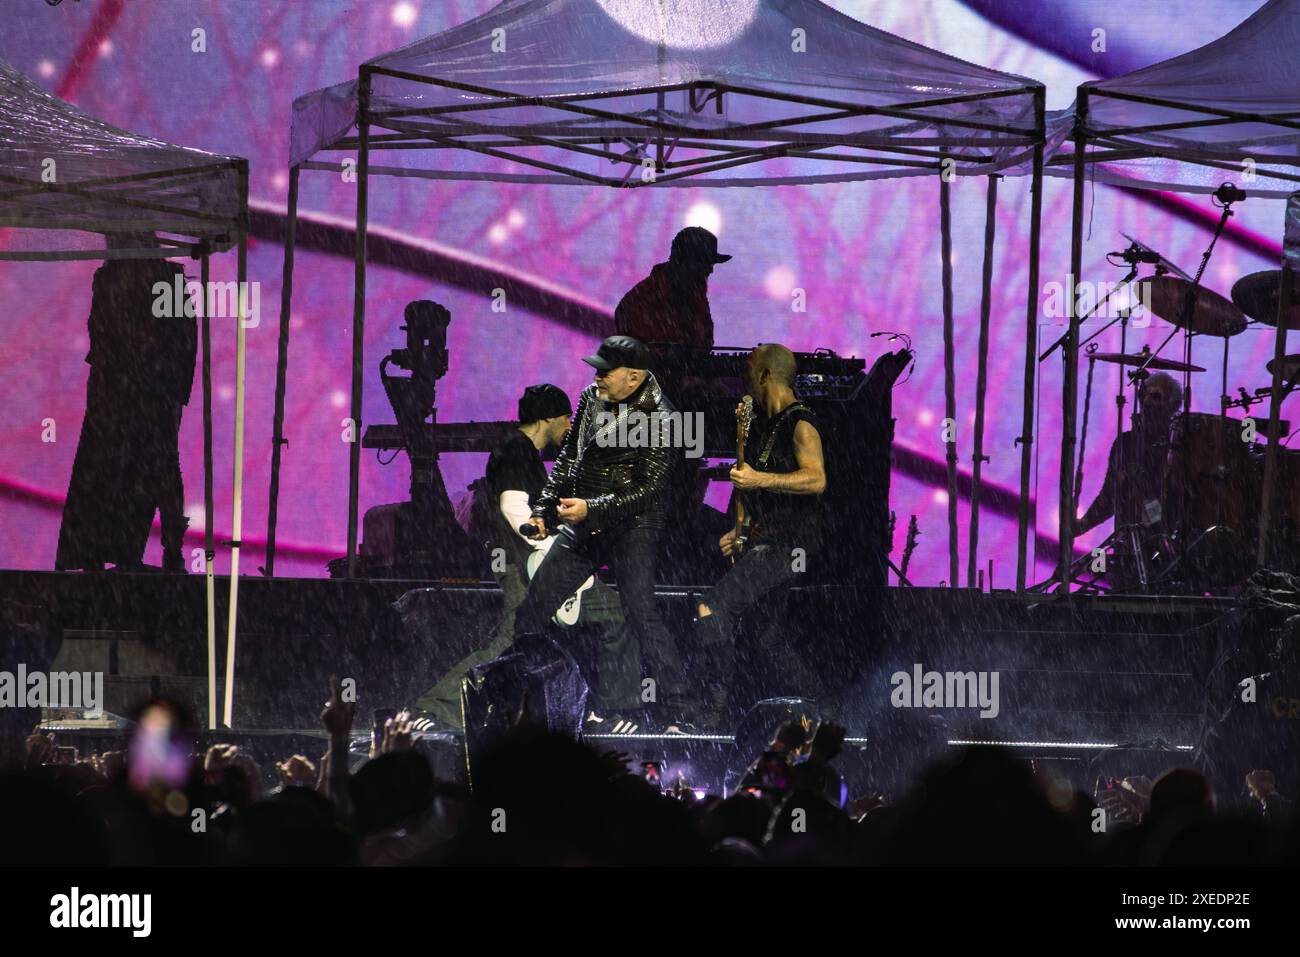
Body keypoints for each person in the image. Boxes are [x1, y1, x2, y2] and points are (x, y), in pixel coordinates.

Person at [514, 336, 690, 729]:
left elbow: (648, 490)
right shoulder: (592, 399)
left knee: (641, 615)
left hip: (634, 524)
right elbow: (568, 459)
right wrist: (544, 510)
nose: (596, 378)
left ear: (634, 377)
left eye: (604, 372)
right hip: (585, 521)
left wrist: (592, 508)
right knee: (532, 609)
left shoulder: (663, 418)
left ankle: (681, 710)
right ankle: (530, 696)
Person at [694, 344, 826, 725]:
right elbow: (760, 495)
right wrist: (739, 530)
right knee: (767, 638)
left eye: (749, 368)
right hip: (769, 542)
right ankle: (826, 706)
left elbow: (816, 479)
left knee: (711, 607)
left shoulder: (801, 422)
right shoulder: (766, 425)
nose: (743, 375)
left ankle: (710, 710)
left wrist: (759, 478)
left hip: (789, 546)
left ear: (767, 374)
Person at [56, 231, 196, 572]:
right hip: (142, 389)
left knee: (124, 468)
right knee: (150, 468)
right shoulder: (152, 279)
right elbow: (183, 341)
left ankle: (125, 551)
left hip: (130, 390)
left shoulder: (116, 279)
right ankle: (152, 551)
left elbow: (178, 340)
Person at [1076, 372, 1182, 537]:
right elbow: (1110, 496)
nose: (1146, 402)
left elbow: (1171, 510)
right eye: (1143, 395)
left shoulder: (1176, 449)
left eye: (1155, 396)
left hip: (1165, 550)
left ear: (1171, 407)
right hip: (1127, 547)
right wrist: (1083, 525)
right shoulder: (1125, 443)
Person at [614, 226, 729, 350]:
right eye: (705, 262)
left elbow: (703, 347)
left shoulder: (696, 298)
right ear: (685, 262)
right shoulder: (638, 302)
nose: (710, 269)